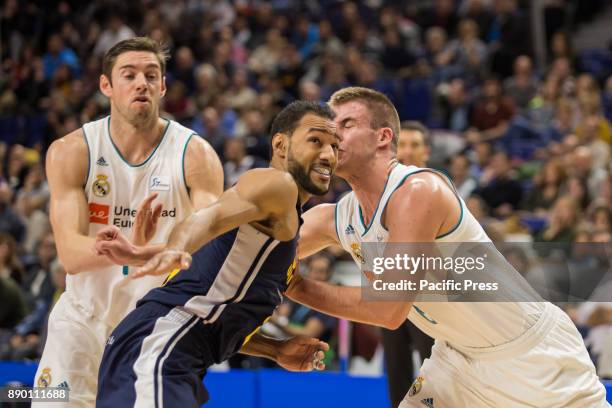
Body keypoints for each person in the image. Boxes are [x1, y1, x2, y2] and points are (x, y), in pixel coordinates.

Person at [287, 87, 609, 407]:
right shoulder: (338, 216)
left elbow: (386, 310)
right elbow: (260, 251)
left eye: (346, 125)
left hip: (530, 357)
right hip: (455, 357)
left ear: (383, 137)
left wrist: (295, 286)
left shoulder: (418, 190)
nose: (332, 137)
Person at [94, 101, 338, 407]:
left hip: (170, 347)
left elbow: (213, 314)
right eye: (316, 141)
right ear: (281, 145)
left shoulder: (276, 229)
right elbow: (207, 218)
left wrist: (274, 349)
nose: (329, 155)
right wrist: (174, 249)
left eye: (335, 146)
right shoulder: (278, 184)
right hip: (162, 344)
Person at [34, 37, 224, 407]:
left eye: (152, 75)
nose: (142, 83)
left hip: (153, 327)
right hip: (81, 321)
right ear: (106, 85)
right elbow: (71, 254)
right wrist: (133, 254)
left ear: (163, 86)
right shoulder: (71, 150)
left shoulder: (196, 155)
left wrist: (138, 252)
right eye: (130, 75)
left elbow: (210, 250)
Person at [385, 120, 435, 408]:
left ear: (425, 151)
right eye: (402, 144)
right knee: (396, 369)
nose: (407, 150)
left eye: (414, 145)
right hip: (388, 287)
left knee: (433, 366)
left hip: (427, 292)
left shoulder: (437, 186)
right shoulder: (381, 190)